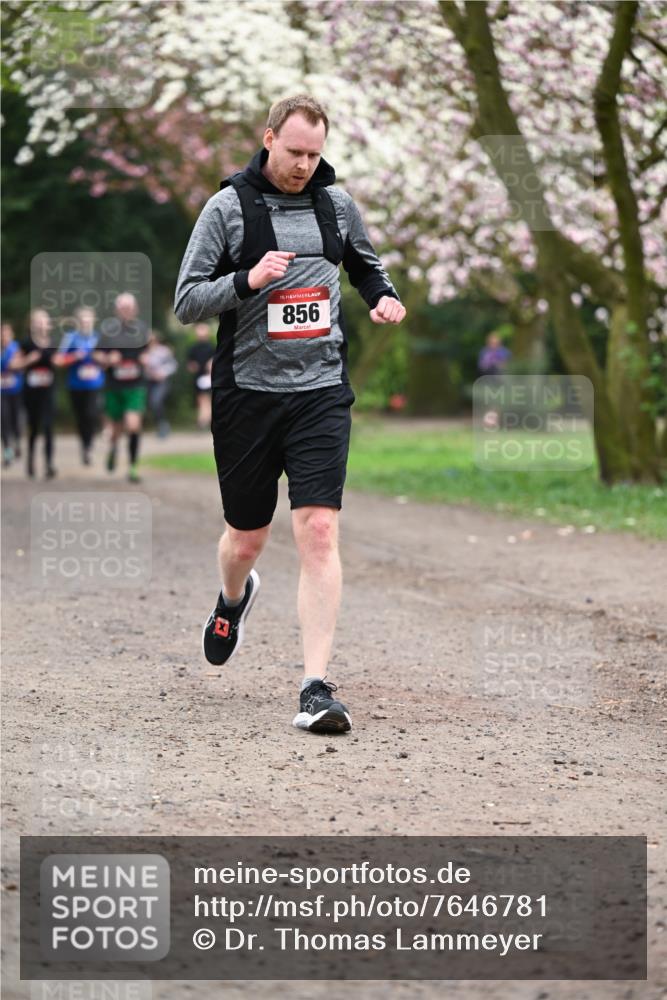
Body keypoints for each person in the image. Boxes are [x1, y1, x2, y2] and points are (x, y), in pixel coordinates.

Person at [175, 94, 406, 734]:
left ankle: (315, 688)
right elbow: (187, 300)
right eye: (295, 151)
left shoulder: (335, 205)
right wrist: (247, 281)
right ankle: (231, 598)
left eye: (315, 153)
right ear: (269, 137)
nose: (305, 164)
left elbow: (365, 263)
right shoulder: (227, 210)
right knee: (247, 537)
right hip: (248, 395)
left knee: (319, 530)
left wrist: (383, 297)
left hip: (320, 391)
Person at [100, 292, 149, 483]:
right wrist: (107, 359)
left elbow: (147, 352)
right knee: (115, 430)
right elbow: (97, 356)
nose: (126, 311)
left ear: (135, 309)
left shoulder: (142, 330)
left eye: (129, 307)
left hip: (135, 385)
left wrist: (145, 359)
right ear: (117, 310)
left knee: (133, 424)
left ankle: (133, 466)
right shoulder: (108, 331)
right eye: (122, 308)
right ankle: (113, 449)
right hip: (114, 386)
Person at [56, 306, 104, 465]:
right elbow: (59, 360)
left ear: (93, 320)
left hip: (95, 384)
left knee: (91, 413)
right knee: (81, 417)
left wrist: (100, 360)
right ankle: (84, 445)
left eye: (88, 319)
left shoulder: (99, 337)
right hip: (76, 385)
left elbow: (107, 360)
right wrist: (75, 357)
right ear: (77, 322)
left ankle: (89, 445)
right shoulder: (70, 337)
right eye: (82, 320)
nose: (85, 322)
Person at [18, 309, 60, 479]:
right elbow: (15, 364)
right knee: (34, 427)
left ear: (49, 324)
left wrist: (61, 361)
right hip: (31, 392)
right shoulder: (26, 343)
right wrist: (28, 360)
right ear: (32, 324)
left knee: (49, 426)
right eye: (38, 321)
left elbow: (59, 361)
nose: (41, 324)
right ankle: (30, 460)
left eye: (44, 320)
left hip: (49, 390)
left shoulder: (54, 343)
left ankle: (49, 464)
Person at [143, 331, 177, 437]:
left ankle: (163, 425)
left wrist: (162, 373)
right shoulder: (143, 352)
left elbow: (173, 365)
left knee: (156, 401)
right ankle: (158, 425)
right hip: (148, 381)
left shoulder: (164, 351)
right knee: (149, 404)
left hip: (161, 382)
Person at [1, 322, 24, 467]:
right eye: (1, 333)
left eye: (6, 333)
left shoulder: (16, 347)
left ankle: (17, 441)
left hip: (15, 390)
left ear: (11, 334)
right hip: (1, 392)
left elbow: (18, 364)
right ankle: (7, 450)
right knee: (3, 420)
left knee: (16, 419)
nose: (3, 336)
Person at [186, 322, 216, 429]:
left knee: (207, 399)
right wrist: (192, 366)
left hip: (209, 377)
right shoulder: (193, 348)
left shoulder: (212, 347)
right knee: (201, 399)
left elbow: (215, 360)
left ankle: (204, 420)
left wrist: (211, 364)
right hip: (199, 378)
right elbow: (190, 364)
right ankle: (205, 419)